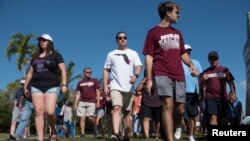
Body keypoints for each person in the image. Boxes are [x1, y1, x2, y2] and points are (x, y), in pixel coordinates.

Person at [142, 2, 198, 141]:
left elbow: (182, 54)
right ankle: (170, 139)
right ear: (167, 12)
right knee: (167, 103)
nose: (179, 14)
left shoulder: (177, 33)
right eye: (176, 12)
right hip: (161, 72)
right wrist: (149, 79)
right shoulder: (152, 32)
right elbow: (149, 57)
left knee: (179, 109)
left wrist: (191, 64)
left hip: (178, 74)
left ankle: (170, 129)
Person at [23, 33, 67, 141]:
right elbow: (30, 73)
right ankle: (40, 138)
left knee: (50, 112)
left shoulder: (56, 55)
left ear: (50, 42)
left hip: (52, 86)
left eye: (44, 40)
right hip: (36, 87)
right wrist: (25, 87)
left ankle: (53, 130)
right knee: (38, 112)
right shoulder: (36, 57)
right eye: (40, 40)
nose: (41, 42)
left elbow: (63, 70)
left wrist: (64, 84)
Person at [103, 31, 142, 141]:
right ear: (116, 40)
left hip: (129, 88)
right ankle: (115, 134)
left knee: (127, 112)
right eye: (120, 38)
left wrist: (135, 76)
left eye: (124, 37)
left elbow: (139, 66)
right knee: (116, 108)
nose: (122, 39)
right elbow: (106, 70)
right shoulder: (111, 54)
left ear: (127, 39)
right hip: (115, 86)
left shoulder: (133, 53)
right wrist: (105, 85)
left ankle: (126, 135)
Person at [199, 51, 236, 125]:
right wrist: (201, 94)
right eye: (211, 59)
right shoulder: (205, 72)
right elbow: (201, 85)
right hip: (211, 98)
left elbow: (231, 83)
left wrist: (233, 94)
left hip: (223, 98)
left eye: (215, 58)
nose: (213, 61)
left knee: (224, 119)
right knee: (213, 117)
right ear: (209, 60)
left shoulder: (225, 70)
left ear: (218, 59)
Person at [181, 44, 203, 141]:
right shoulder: (178, 62)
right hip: (180, 91)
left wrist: (201, 92)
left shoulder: (196, 62)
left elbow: (201, 77)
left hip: (193, 92)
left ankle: (190, 135)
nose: (188, 52)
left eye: (189, 50)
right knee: (183, 115)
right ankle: (181, 129)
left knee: (192, 116)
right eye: (186, 50)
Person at [74, 67, 100, 138]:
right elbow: (78, 94)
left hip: (91, 101)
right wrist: (75, 104)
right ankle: (82, 134)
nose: (89, 73)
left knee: (90, 117)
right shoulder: (80, 83)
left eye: (90, 72)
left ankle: (95, 128)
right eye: (87, 72)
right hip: (82, 101)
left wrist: (98, 101)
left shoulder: (94, 80)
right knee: (82, 118)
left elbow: (98, 91)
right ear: (84, 73)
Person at [135, 71, 161, 140]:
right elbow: (137, 90)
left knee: (157, 121)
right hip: (146, 104)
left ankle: (156, 134)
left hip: (157, 103)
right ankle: (147, 136)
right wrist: (142, 82)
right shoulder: (143, 82)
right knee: (146, 119)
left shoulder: (157, 80)